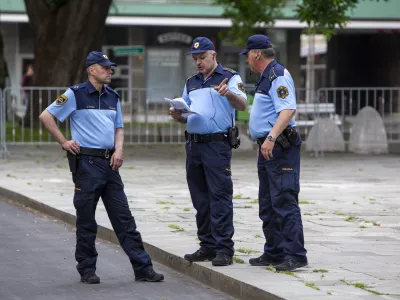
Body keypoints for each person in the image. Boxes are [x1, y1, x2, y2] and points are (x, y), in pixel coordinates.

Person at [39, 51, 164, 284]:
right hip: (87, 164)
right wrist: (64, 142)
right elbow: (46, 116)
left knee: (124, 219)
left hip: (110, 164)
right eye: (105, 67)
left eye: (110, 67)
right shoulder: (74, 94)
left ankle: (142, 268)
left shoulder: (113, 97)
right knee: (86, 220)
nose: (110, 70)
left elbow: (119, 128)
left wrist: (119, 150)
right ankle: (87, 269)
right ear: (91, 70)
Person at [170, 37, 247, 266]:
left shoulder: (230, 77)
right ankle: (207, 245)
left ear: (213, 55)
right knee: (200, 198)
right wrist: (177, 115)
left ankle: (224, 249)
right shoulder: (191, 82)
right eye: (195, 59)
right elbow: (184, 111)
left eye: (202, 57)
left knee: (220, 195)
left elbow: (242, 105)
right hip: (194, 145)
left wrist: (228, 94)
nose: (198, 62)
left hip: (217, 145)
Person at [239, 35, 308, 271]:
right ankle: (275, 251)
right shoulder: (266, 77)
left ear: (257, 53)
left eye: (247, 54)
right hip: (269, 148)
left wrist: (270, 137)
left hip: (279, 147)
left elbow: (288, 109)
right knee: (268, 203)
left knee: (284, 200)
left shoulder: (277, 75)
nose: (247, 59)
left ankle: (295, 254)